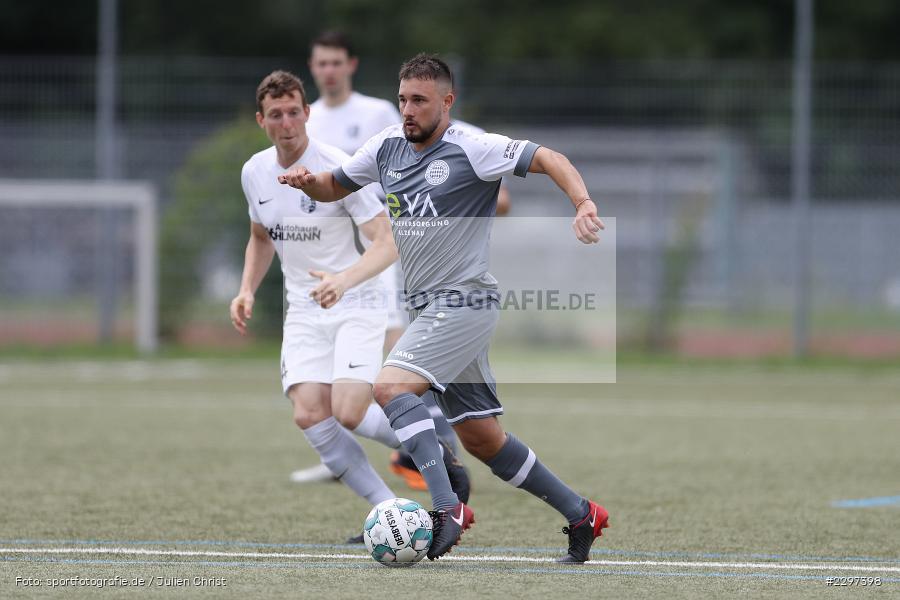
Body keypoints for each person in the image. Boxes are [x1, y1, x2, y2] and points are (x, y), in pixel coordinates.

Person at [278, 54, 609, 563]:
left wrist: (583, 202)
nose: (408, 110)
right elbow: (335, 185)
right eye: (403, 98)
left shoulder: (472, 149)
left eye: (420, 101)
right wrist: (309, 182)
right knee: (483, 440)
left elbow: (549, 158)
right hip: (428, 310)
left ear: (447, 103)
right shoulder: (386, 147)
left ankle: (446, 507)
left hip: (465, 302)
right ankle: (581, 513)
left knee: (388, 387)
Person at [230, 69, 467, 543]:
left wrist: (343, 279)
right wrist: (246, 289)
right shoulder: (254, 171)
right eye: (275, 115)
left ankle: (435, 452)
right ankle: (389, 511)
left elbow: (386, 241)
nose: (286, 122)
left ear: (307, 113)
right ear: (262, 120)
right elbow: (260, 237)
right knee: (309, 413)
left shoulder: (338, 167)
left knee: (350, 410)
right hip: (303, 309)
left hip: (357, 299)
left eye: (294, 112)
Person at [289, 31, 465, 492]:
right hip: (329, 263)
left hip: (377, 252)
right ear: (313, 68)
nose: (328, 70)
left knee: (394, 356)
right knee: (338, 373)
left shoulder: (379, 113)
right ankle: (361, 454)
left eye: (335, 62)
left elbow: (409, 160)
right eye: (320, 63)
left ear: (351, 64)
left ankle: (434, 438)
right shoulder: (307, 122)